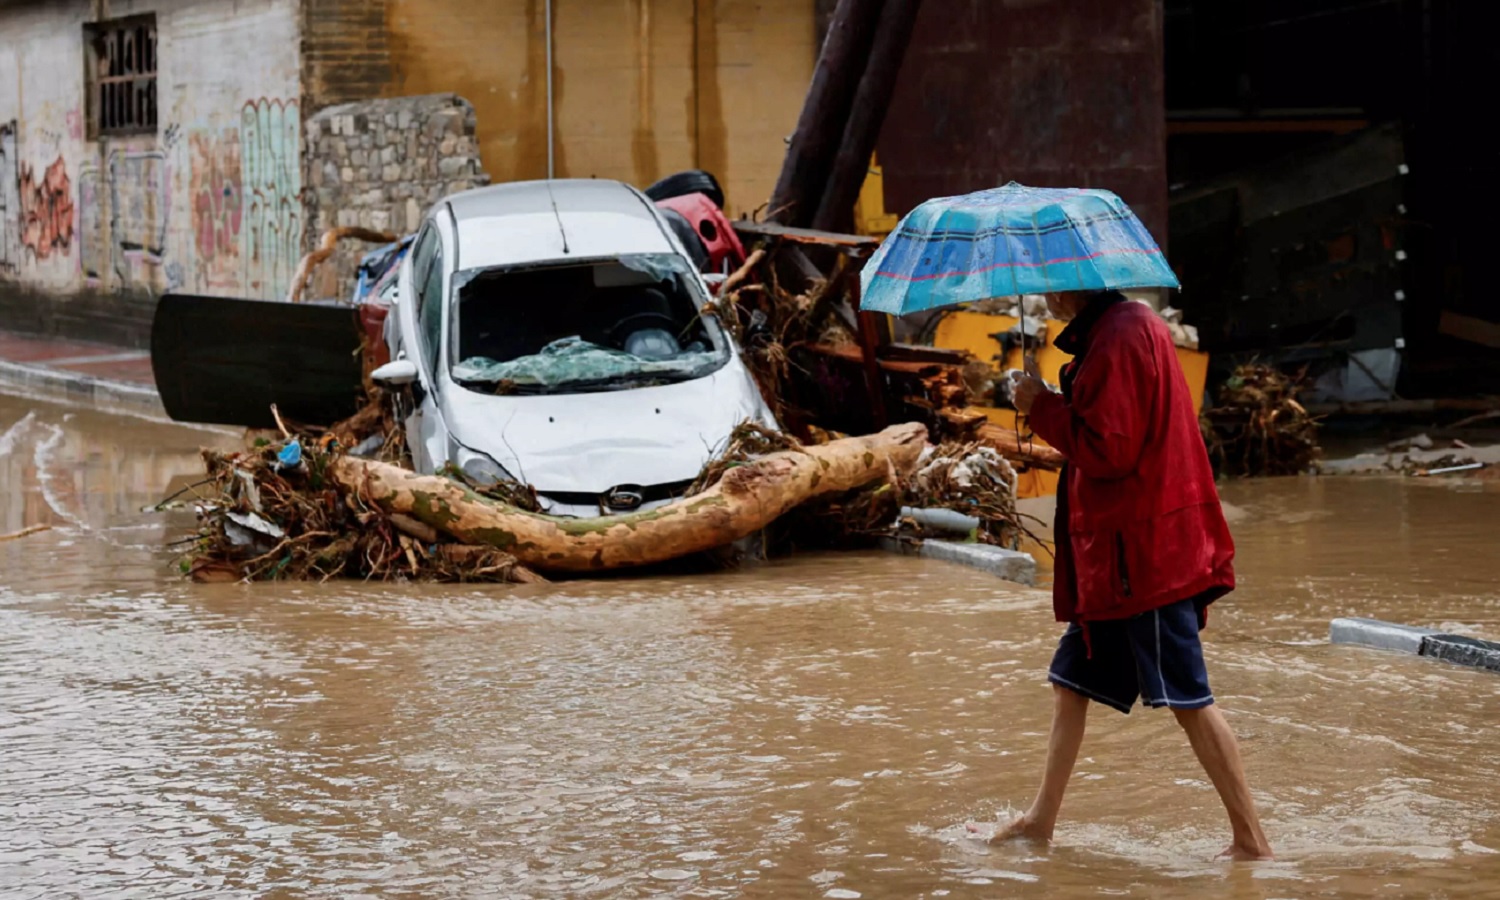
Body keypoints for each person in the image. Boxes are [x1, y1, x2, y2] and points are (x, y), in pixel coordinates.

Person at [968, 289, 1273, 861]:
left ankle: (1251, 840)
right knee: (1071, 684)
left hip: (1143, 556)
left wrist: (1041, 405)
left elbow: (1112, 451)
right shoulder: (1119, 330)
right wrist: (1056, 400)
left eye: (1047, 286)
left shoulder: (1121, 336)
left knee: (1188, 697)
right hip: (1117, 556)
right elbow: (1111, 425)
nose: (1043, 297)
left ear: (1070, 284)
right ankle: (1040, 821)